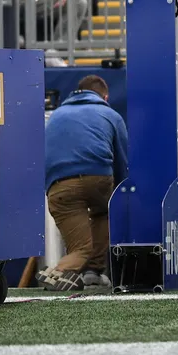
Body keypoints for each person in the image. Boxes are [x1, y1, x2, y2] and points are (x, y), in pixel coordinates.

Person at [38, 75, 128, 292]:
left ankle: (84, 272)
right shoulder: (110, 114)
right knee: (104, 212)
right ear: (105, 97)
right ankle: (64, 272)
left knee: (79, 246)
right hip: (97, 178)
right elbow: (123, 162)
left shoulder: (56, 115)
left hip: (58, 186)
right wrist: (122, 194)